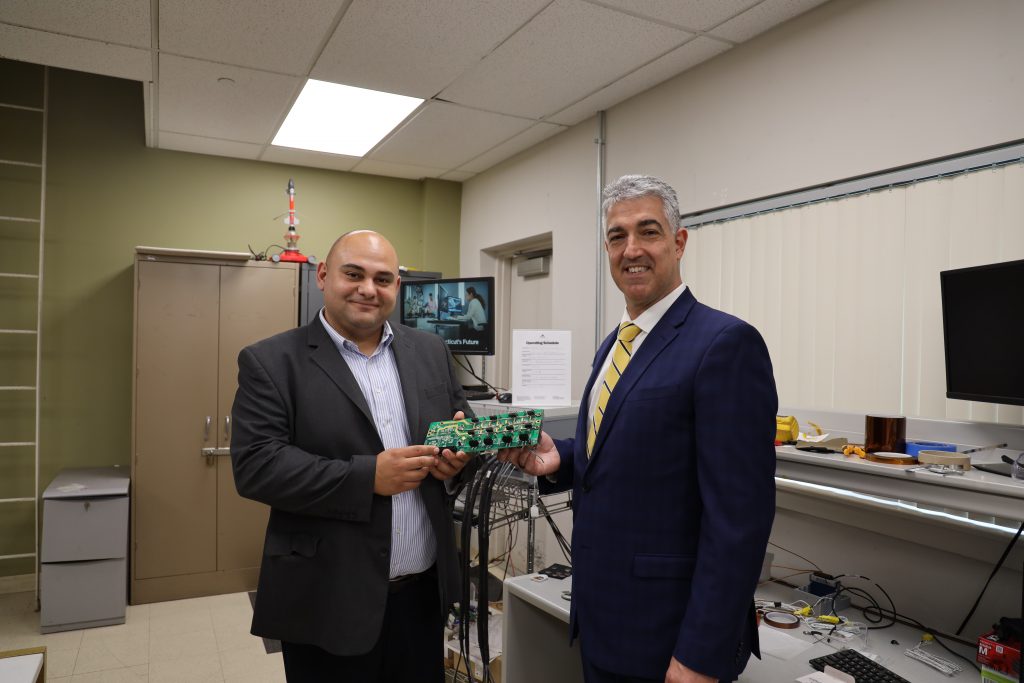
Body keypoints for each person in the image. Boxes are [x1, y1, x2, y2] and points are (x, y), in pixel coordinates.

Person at [500, 175, 777, 683]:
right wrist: (560, 455)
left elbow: (739, 520)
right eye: (616, 236)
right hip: (605, 618)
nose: (631, 249)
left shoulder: (725, 344)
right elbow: (628, 451)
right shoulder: (614, 344)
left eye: (648, 232)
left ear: (679, 241)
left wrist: (699, 655)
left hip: (670, 636)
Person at [231, 230, 475, 682]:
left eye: (383, 279)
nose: (368, 289)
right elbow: (256, 467)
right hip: (327, 601)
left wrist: (457, 459)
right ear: (323, 276)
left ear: (396, 288)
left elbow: (464, 425)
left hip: (421, 599)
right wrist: (368, 477)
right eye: (354, 274)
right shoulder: (271, 361)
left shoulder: (430, 351)